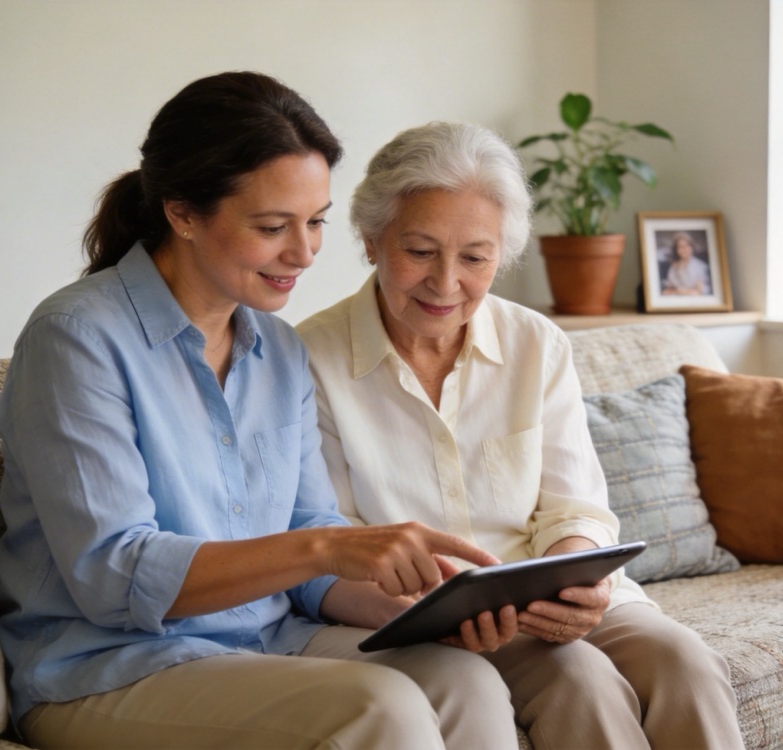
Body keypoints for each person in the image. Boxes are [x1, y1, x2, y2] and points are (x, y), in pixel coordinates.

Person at [0, 73, 520, 750]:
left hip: (265, 641)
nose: (304, 254)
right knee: (378, 703)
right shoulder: (76, 338)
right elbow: (112, 574)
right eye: (273, 227)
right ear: (182, 213)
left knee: (464, 677)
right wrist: (327, 546)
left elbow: (308, 540)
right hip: (105, 668)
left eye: (316, 222)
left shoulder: (277, 350)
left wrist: (426, 610)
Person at [297, 121, 747, 750]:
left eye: (475, 257)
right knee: (578, 679)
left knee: (687, 664)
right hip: (418, 618)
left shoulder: (536, 343)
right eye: (420, 251)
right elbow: (327, 540)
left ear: (501, 257)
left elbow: (576, 504)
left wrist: (579, 576)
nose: (446, 282)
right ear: (372, 240)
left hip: (543, 596)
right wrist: (431, 609)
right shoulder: (307, 361)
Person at [662, 231, 711, 295]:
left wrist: (681, 291)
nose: (684, 249)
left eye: (687, 245)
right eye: (680, 246)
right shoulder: (673, 267)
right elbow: (670, 287)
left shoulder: (701, 266)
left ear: (692, 247)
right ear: (676, 250)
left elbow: (703, 291)